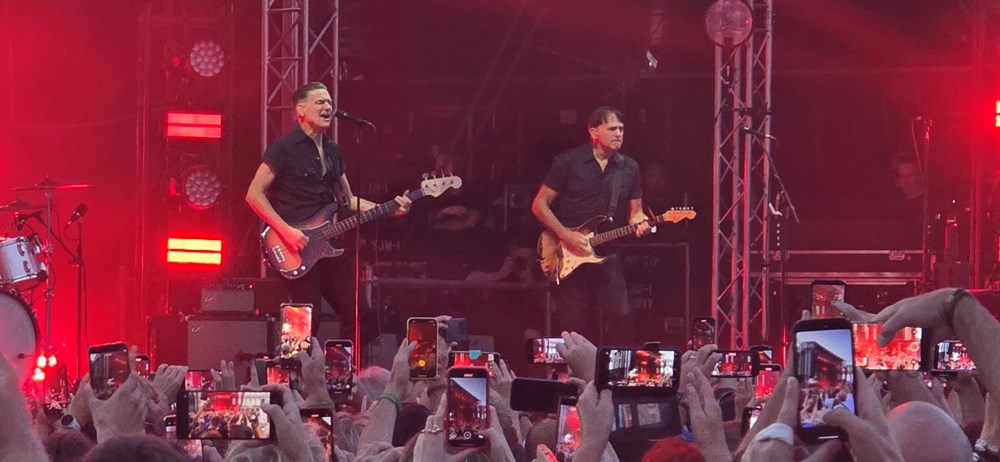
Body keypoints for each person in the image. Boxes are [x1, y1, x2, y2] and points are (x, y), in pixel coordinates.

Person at [246, 82, 411, 338]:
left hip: (326, 243)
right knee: (307, 319)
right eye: (320, 102)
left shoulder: (332, 150)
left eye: (330, 103)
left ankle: (339, 362)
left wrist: (388, 209)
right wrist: (287, 231)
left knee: (360, 315)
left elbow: (348, 201)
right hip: (292, 245)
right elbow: (253, 195)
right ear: (301, 110)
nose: (328, 107)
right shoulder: (283, 149)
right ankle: (297, 364)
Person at [531, 106, 652, 344]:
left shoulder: (629, 167)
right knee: (573, 324)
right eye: (612, 128)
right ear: (593, 131)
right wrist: (564, 235)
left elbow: (635, 212)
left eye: (622, 129)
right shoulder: (569, 161)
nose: (619, 134)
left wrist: (640, 223)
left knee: (620, 318)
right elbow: (539, 204)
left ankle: (615, 367)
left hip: (607, 251)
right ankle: (577, 368)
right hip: (567, 251)